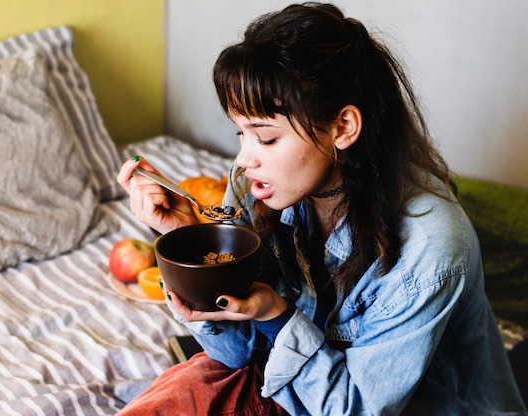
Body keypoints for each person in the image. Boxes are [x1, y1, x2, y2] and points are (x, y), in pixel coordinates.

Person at [116, 2, 526, 415]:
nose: (243, 159)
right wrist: (188, 241)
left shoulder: (431, 246)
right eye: (240, 133)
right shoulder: (255, 185)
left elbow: (356, 408)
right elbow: (236, 353)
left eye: (267, 138)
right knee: (188, 387)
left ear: (342, 127)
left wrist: (277, 316)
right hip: (304, 378)